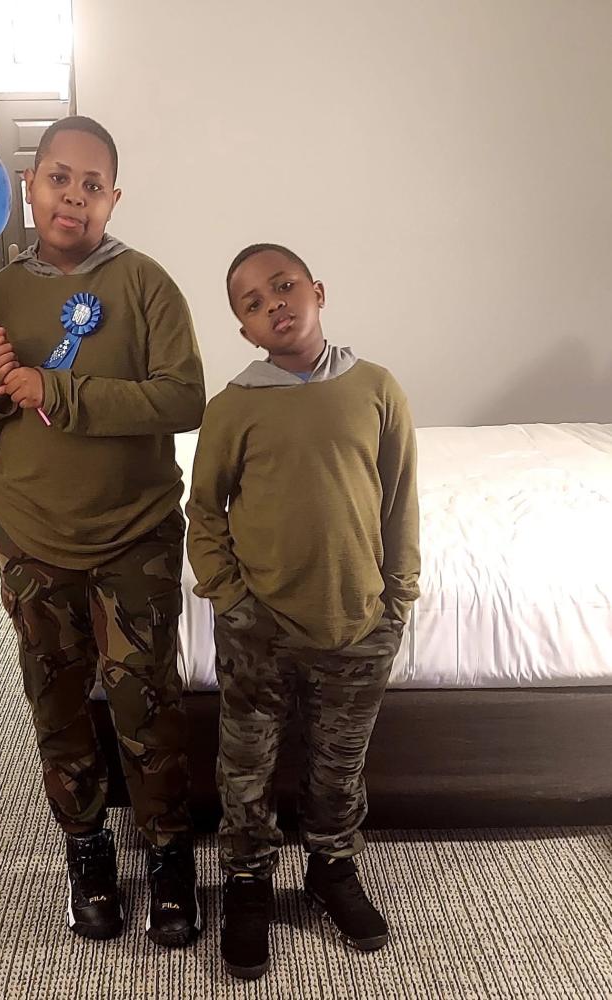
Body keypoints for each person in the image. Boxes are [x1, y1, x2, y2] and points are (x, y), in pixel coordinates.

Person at [0, 116, 205, 947]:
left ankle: (167, 852)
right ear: (32, 185)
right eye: (60, 178)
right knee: (55, 702)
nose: (74, 197)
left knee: (146, 702)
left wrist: (59, 391)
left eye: (93, 185)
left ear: (114, 199)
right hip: (30, 537)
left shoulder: (147, 285)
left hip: (135, 535)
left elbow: (183, 399)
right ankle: (86, 846)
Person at [186, 243, 420, 979]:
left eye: (284, 287)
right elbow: (203, 513)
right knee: (246, 769)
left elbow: (399, 499)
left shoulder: (376, 388)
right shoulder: (233, 407)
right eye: (253, 304)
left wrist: (398, 598)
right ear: (245, 330)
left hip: (359, 623)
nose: (274, 305)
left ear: (318, 291)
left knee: (339, 766)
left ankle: (331, 868)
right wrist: (230, 598)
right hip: (259, 631)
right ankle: (247, 878)